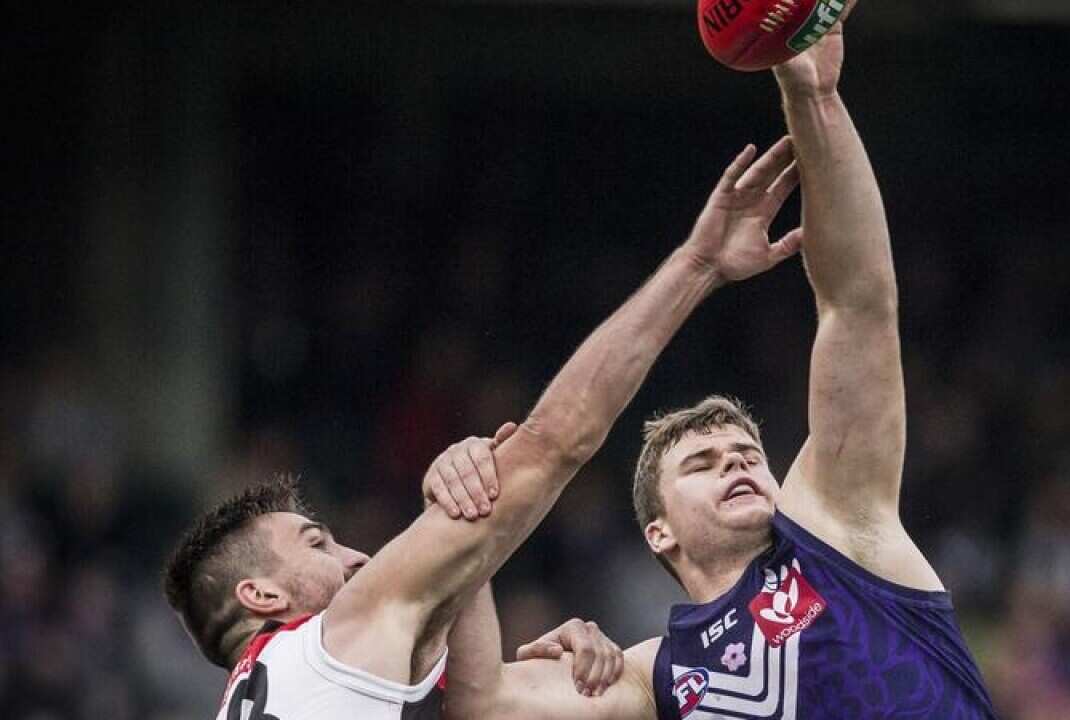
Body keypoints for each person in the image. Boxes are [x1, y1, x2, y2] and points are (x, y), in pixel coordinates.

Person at [432, 18, 999, 720]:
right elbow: (480, 704)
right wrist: (463, 512)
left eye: (746, 454)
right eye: (701, 464)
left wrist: (814, 97)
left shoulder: (839, 534)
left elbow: (858, 306)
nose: (735, 464)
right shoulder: (650, 678)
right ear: (658, 533)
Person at [160, 135, 805, 719]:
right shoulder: (339, 635)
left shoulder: (274, 691)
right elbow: (557, 443)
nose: (357, 555)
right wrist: (698, 266)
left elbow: (482, 703)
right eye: (317, 544)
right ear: (262, 594)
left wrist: (550, 659)